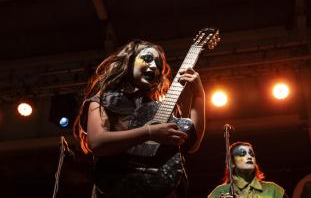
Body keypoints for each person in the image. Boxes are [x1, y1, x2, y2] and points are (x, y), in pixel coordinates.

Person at [73, 39, 205, 198]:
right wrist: (149, 132)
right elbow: (97, 143)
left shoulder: (162, 108)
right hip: (116, 190)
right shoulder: (102, 100)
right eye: (148, 58)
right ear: (128, 61)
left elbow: (192, 144)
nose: (154, 66)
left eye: (158, 64)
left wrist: (198, 94)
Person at [207, 141, 288, 198]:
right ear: (231, 164)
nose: (249, 157)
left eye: (251, 154)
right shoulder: (219, 192)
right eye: (242, 154)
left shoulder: (273, 190)